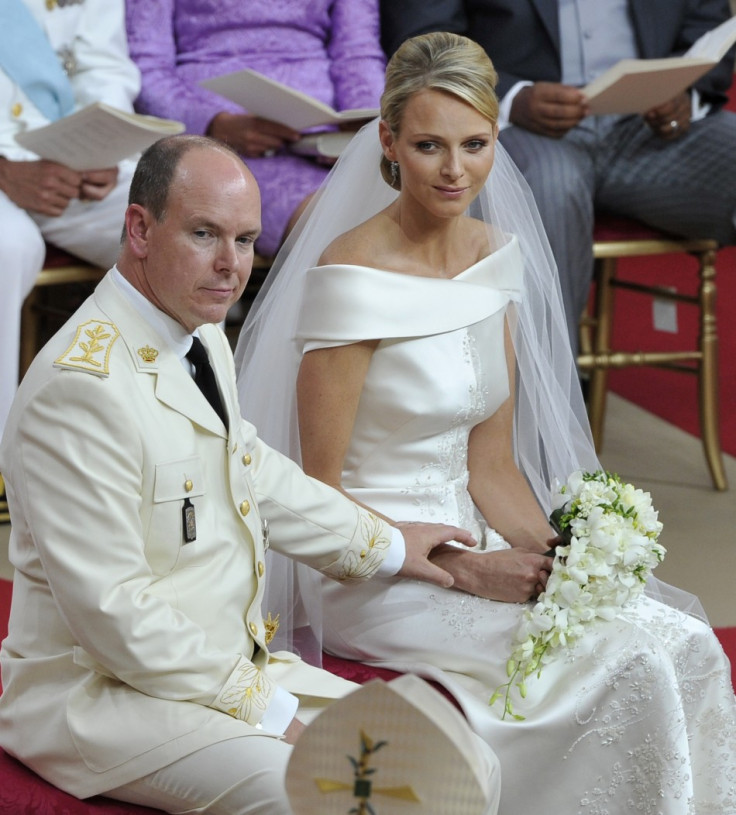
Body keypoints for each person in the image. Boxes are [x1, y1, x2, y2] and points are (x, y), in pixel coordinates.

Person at [235, 33, 736, 814]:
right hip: (371, 566)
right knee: (626, 664)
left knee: (684, 642)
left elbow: (493, 467)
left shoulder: (493, 256)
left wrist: (562, 561)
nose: (453, 170)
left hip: (483, 537)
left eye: (475, 145)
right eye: (429, 145)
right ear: (389, 142)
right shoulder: (351, 277)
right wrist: (467, 571)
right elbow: (315, 496)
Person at [0, 134, 501, 814]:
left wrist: (387, 543)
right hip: (104, 694)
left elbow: (250, 469)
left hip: (214, 663)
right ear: (140, 228)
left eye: (244, 240)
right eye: (205, 233)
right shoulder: (80, 388)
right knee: (336, 793)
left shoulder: (196, 327)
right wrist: (266, 708)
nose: (230, 266)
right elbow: (115, 613)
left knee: (459, 760)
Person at [380, 0, 736, 354]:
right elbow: (423, 39)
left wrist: (685, 94)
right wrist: (511, 98)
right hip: (520, 128)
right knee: (551, 186)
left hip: (649, 130)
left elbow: (708, 23)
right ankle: (548, 393)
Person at [0, 0, 140, 490]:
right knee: (6, 248)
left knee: (172, 221)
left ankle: (166, 448)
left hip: (70, 165)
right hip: (3, 169)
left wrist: (102, 144)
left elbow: (104, 64)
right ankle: (6, 472)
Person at [124, 0, 386, 258]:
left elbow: (357, 51)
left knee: (400, 208)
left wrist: (364, 122)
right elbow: (148, 68)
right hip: (225, 144)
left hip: (328, 140)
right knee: (340, 225)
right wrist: (213, 122)